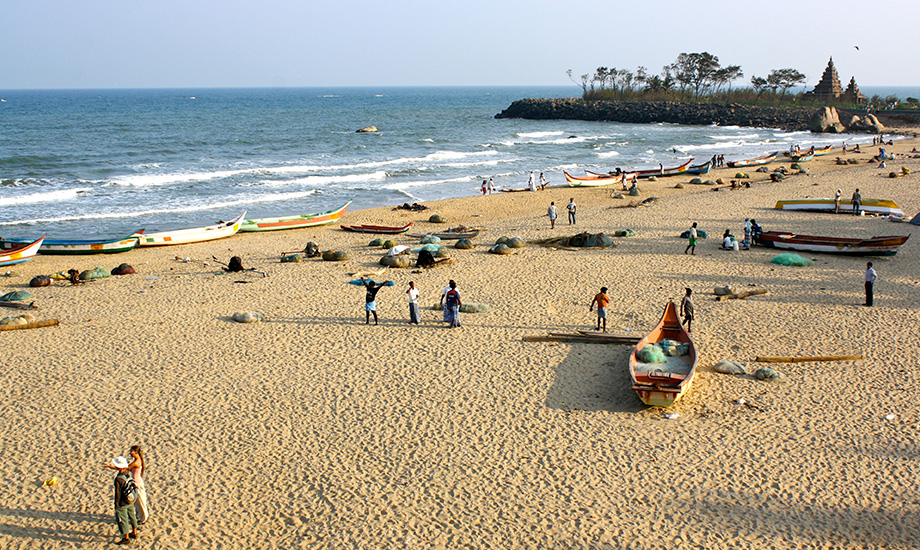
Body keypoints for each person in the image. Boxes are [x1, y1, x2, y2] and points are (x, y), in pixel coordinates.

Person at [104, 456, 138, 545]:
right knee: (132, 515)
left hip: (123, 501)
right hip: (131, 498)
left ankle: (126, 538)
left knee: (123, 519)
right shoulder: (129, 473)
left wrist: (116, 504)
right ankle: (134, 532)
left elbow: (118, 493)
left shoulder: (118, 479)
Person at [127, 446, 149, 524]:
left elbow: (127, 468)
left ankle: (143, 518)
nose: (130, 453)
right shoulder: (137, 460)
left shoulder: (136, 462)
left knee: (140, 501)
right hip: (135, 482)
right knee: (137, 501)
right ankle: (140, 516)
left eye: (132, 452)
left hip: (137, 483)